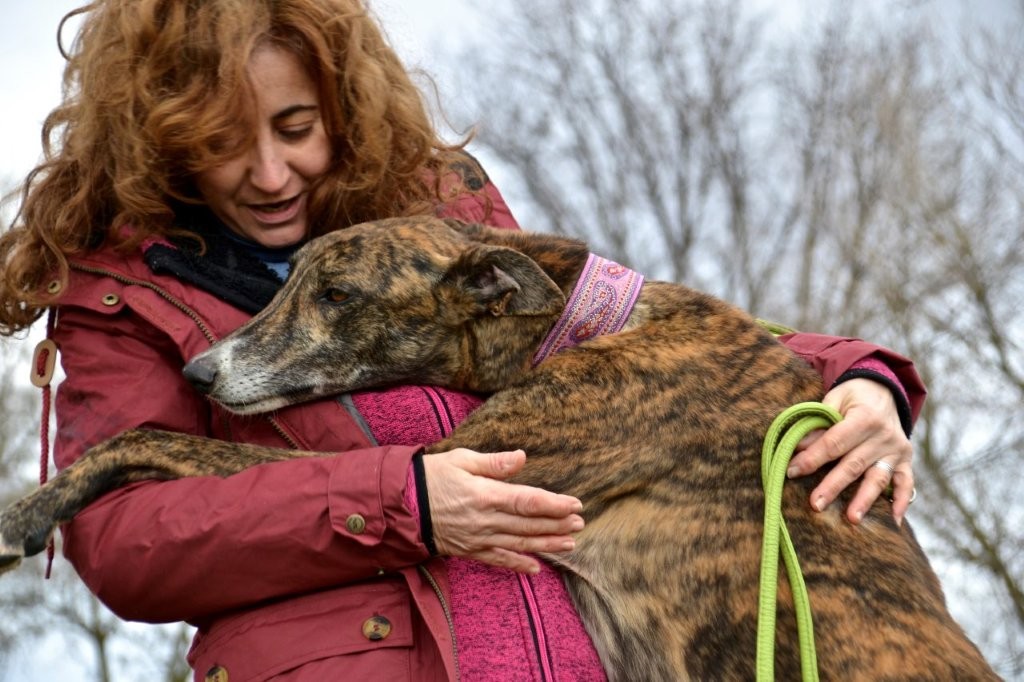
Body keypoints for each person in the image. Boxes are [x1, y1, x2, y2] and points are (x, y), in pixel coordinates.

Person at [0, 1, 926, 680]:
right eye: (224, 141)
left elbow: (633, 337)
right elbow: (125, 543)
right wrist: (403, 498)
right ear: (163, 137)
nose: (272, 173)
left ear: (337, 109)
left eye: (295, 128)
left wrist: (863, 378)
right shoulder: (121, 290)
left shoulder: (440, 211)